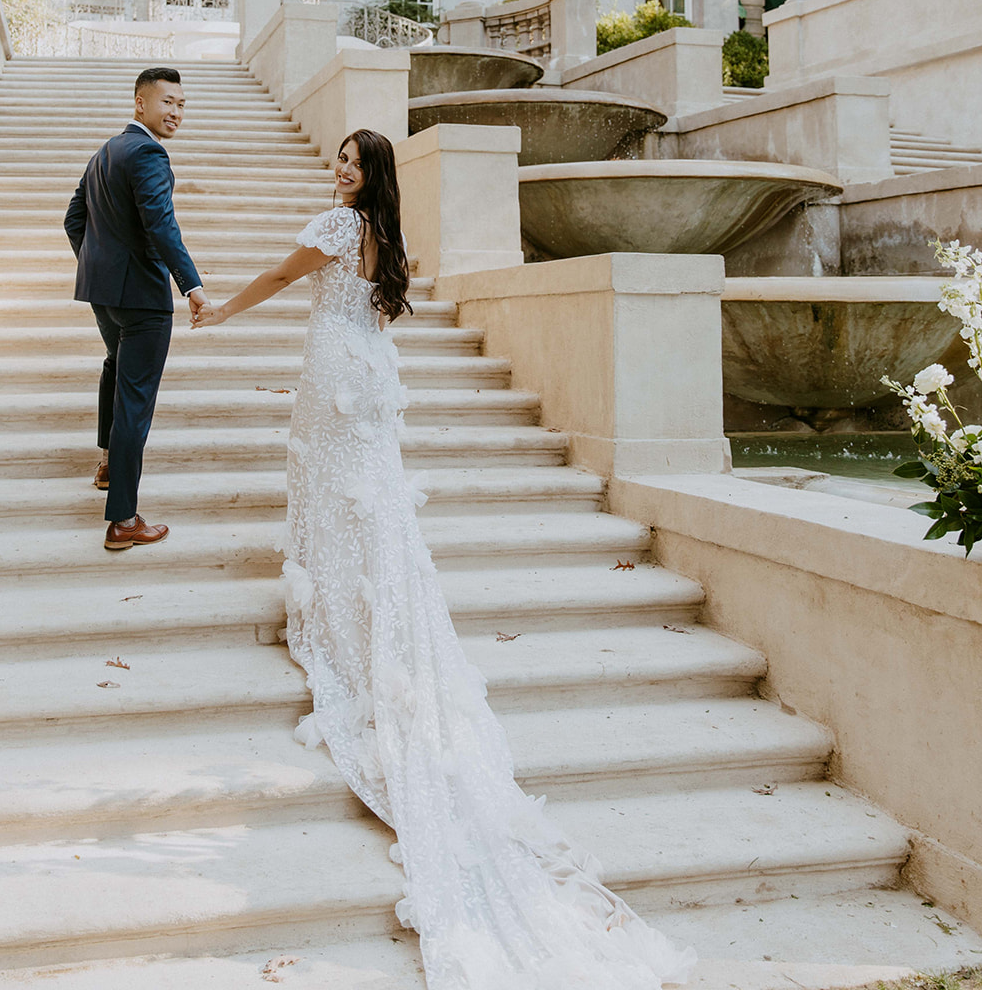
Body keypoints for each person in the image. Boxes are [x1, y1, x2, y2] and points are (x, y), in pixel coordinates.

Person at [193, 128, 694, 990]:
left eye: (354, 161)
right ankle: (349, 599)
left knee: (333, 491)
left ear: (373, 174)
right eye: (340, 159)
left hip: (335, 373)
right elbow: (375, 311)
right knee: (365, 505)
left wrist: (216, 312)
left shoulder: (339, 226)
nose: (341, 169)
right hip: (369, 373)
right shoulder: (390, 239)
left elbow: (281, 277)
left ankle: (339, 619)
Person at [64, 66, 209, 551]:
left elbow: (73, 219)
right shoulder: (148, 152)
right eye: (167, 102)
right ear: (140, 104)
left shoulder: (104, 152)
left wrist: (100, 266)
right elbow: (161, 226)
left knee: (114, 368)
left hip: (104, 294)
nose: (176, 112)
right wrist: (192, 286)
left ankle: (108, 465)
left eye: (182, 104)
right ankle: (124, 520)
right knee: (135, 400)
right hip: (143, 300)